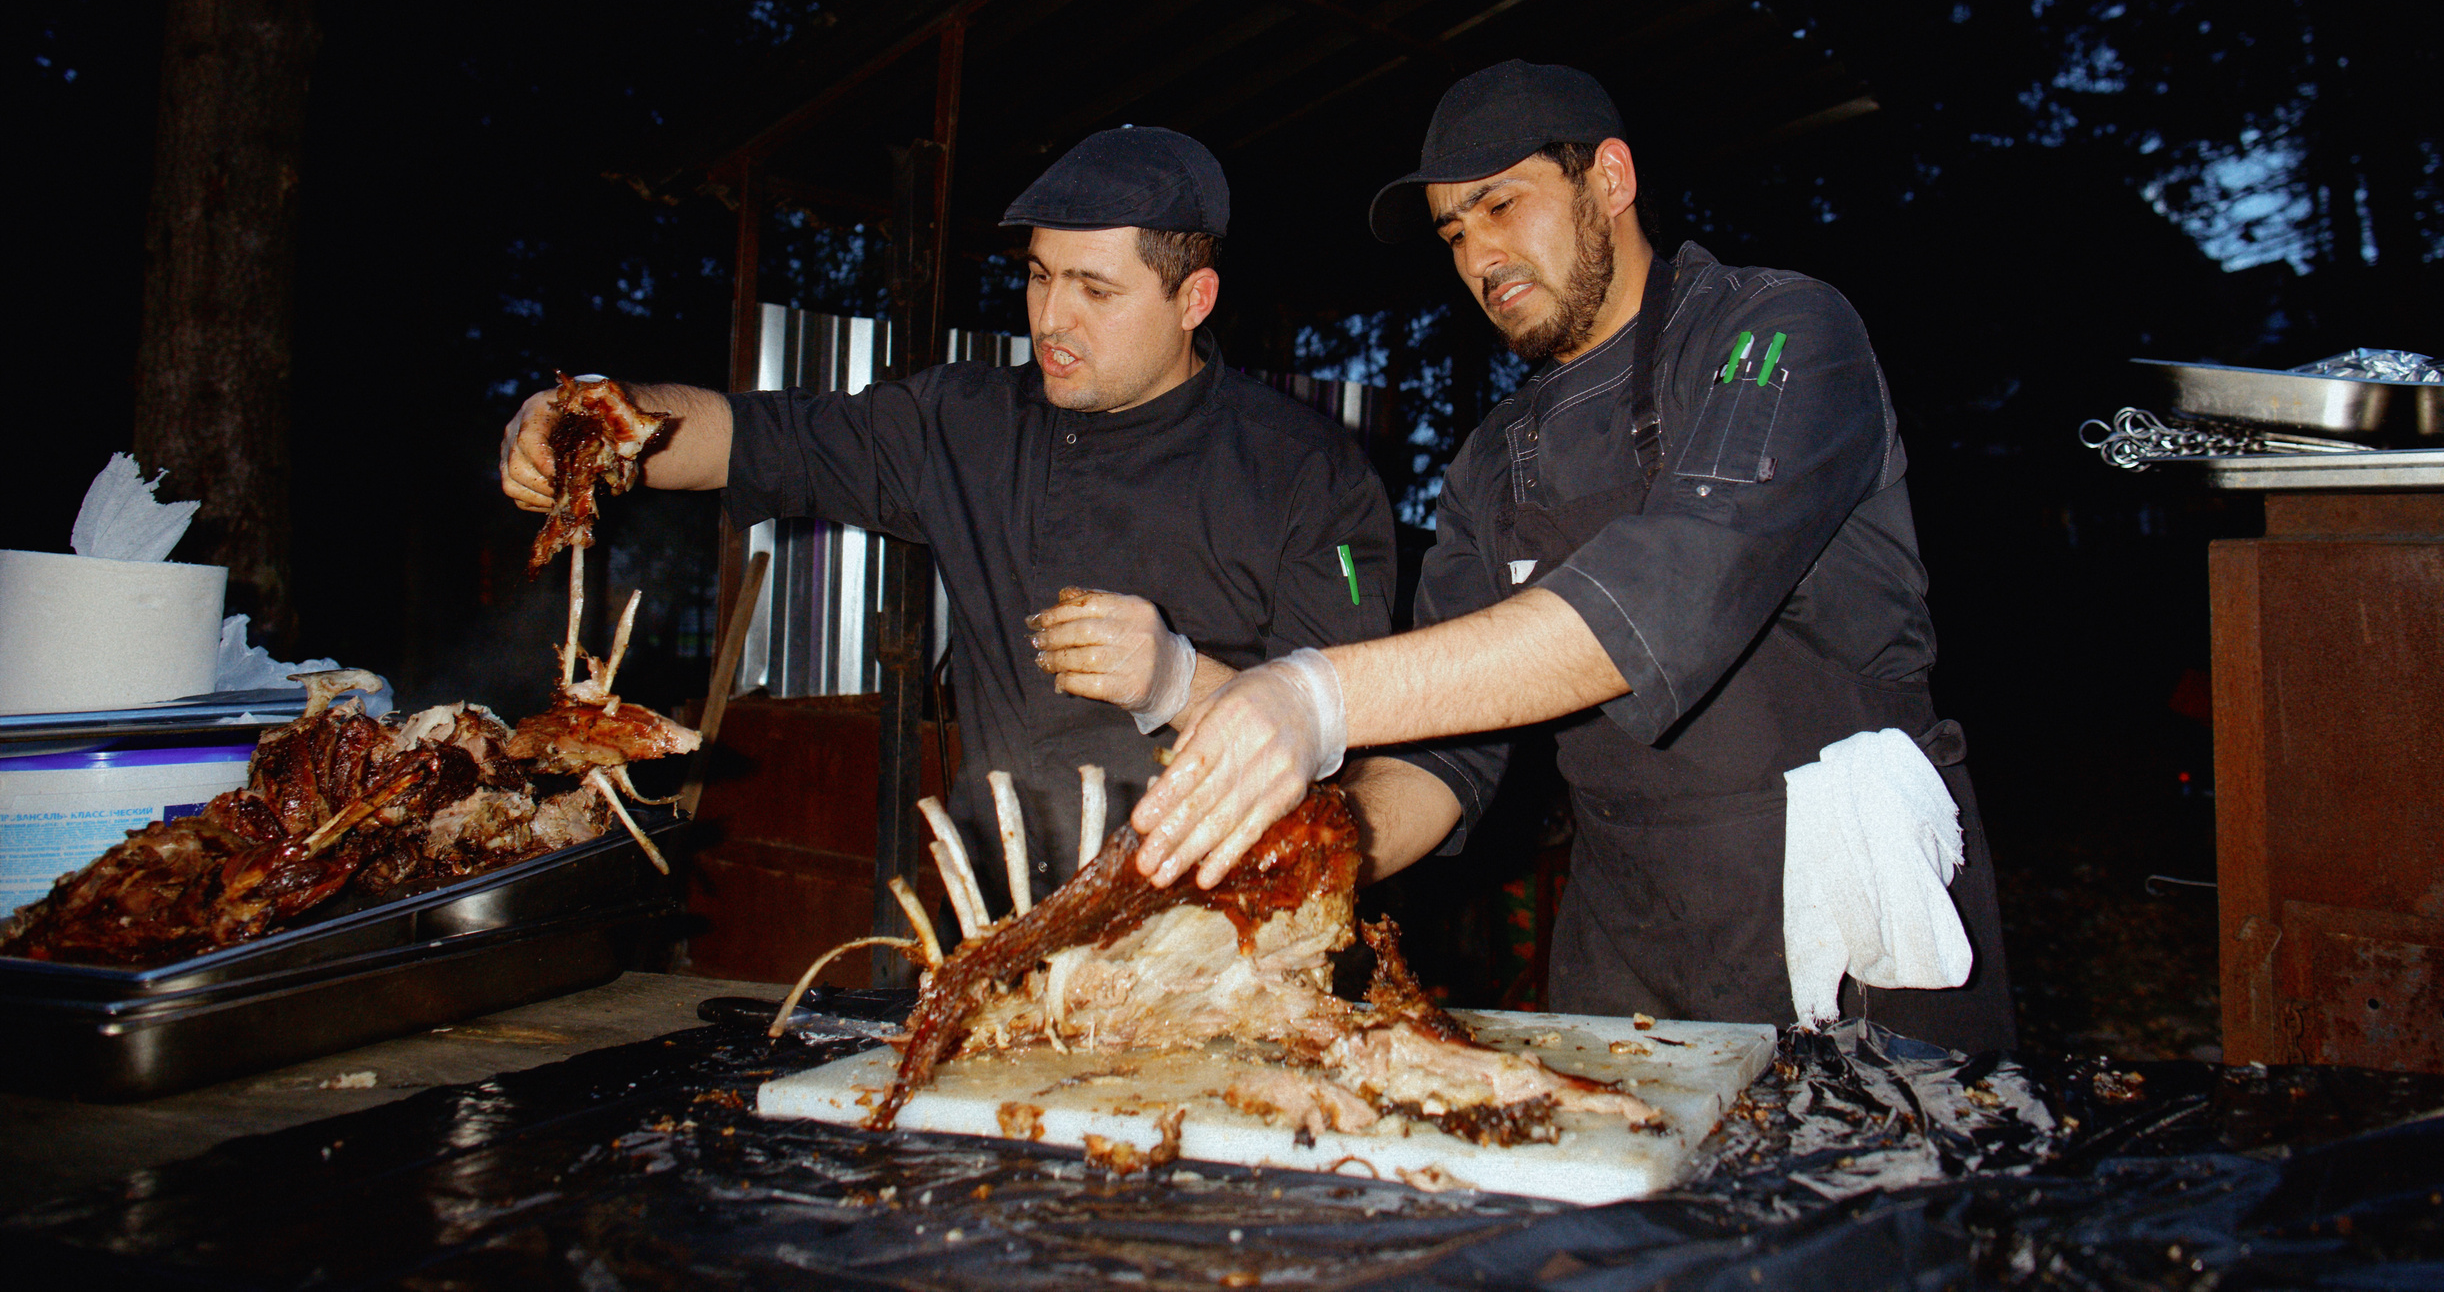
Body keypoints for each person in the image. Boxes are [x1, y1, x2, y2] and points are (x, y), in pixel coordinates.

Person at [1128, 61, 2015, 1048]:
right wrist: (1292, 870)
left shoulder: (1780, 332)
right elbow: (1446, 755)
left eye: (1501, 205)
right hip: (1628, 948)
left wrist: (1307, 697)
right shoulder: (1489, 466)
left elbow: (1668, 587)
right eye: (1454, 233)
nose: (1477, 256)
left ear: (1610, 180)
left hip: (1852, 923)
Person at [499, 127, 1396, 900]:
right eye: (1041, 276)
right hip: (1000, 921)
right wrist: (596, 419)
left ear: (1192, 299)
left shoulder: (1308, 474)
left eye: (1096, 289)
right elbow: (756, 437)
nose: (1052, 317)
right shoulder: (968, 424)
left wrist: (1176, 678)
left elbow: (1349, 752)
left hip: (1220, 938)